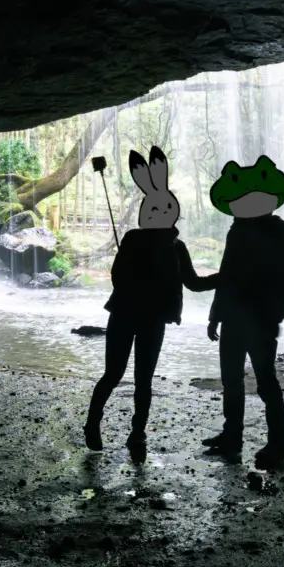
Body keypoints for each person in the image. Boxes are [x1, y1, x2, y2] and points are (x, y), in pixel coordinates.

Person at [84, 146, 219, 460]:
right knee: (113, 374)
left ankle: (138, 433)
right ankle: (93, 423)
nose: (159, 212)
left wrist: (224, 277)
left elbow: (195, 283)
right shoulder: (132, 239)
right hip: (126, 314)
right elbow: (117, 276)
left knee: (143, 380)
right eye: (155, 208)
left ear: (172, 209)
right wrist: (139, 286)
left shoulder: (176, 246)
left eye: (164, 207)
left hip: (150, 319)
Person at [201, 155, 284, 470]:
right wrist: (215, 315)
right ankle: (232, 437)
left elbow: (275, 278)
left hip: (259, 319)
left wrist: (265, 314)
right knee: (233, 380)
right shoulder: (241, 231)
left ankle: (277, 443)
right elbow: (228, 274)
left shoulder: (277, 231)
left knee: (264, 381)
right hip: (240, 318)